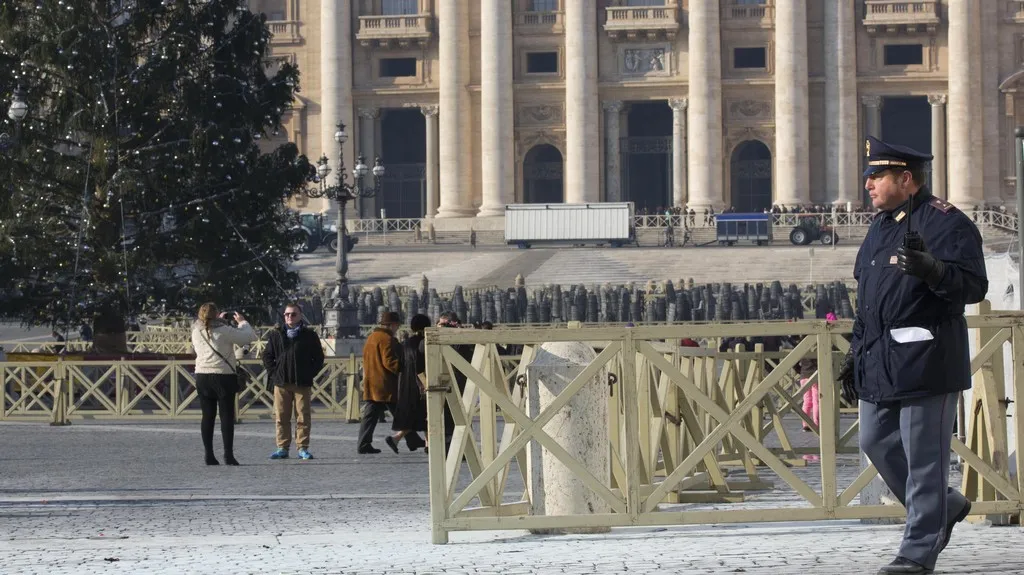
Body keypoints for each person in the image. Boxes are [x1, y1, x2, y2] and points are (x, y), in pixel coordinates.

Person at [837, 136, 987, 575]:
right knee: (875, 442)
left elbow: (973, 286)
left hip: (927, 359)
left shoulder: (948, 224)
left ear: (906, 179)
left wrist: (934, 271)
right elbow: (870, 295)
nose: (867, 184)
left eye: (876, 176)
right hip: (879, 358)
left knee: (924, 461)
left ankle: (918, 550)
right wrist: (854, 354)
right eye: (868, 176)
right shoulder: (880, 225)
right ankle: (948, 505)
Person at [191, 303, 257, 466]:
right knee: (226, 417)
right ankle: (228, 455)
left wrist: (218, 321)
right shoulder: (224, 330)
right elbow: (249, 337)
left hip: (202, 376)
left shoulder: (196, 331)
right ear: (217, 314)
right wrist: (242, 322)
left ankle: (209, 455)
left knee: (207, 417)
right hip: (222, 376)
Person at [263, 302, 325, 460]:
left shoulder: (309, 335)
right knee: (281, 416)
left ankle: (302, 447)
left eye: (293, 314)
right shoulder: (276, 334)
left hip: (301, 382)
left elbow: (318, 358)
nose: (289, 317)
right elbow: (267, 356)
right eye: (286, 314)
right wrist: (274, 373)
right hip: (281, 382)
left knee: (303, 417)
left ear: (300, 316)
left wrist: (309, 373)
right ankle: (282, 447)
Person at [358, 311, 403, 454]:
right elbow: (389, 361)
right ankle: (413, 439)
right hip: (385, 385)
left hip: (372, 383)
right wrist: (404, 369)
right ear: (392, 325)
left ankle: (363, 444)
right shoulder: (387, 339)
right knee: (402, 414)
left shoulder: (371, 337)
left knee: (369, 417)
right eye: (397, 325)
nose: (397, 329)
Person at [386, 314, 430, 454]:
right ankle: (426, 444)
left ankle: (426, 444)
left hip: (406, 384)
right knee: (426, 413)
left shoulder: (405, 344)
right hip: (422, 383)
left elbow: (399, 365)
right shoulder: (425, 343)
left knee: (416, 415)